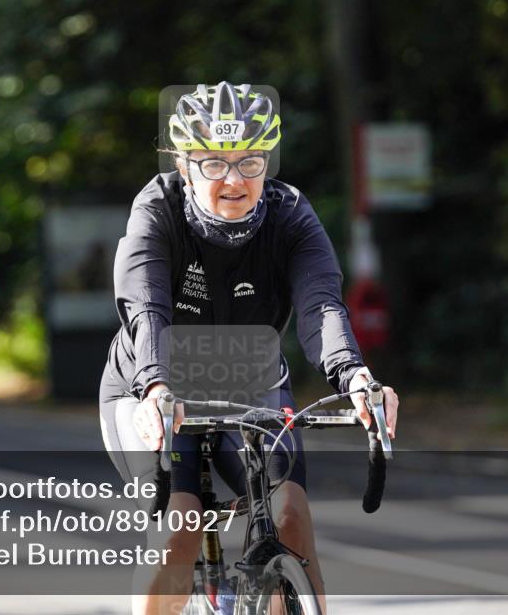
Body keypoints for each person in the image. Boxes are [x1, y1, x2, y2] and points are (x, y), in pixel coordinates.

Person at [99, 82, 400, 615]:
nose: (234, 179)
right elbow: (146, 307)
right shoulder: (157, 210)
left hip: (249, 378)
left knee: (290, 516)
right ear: (185, 165)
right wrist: (155, 386)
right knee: (180, 530)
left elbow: (321, 307)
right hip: (151, 382)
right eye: (213, 163)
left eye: (250, 162)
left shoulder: (291, 216)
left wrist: (356, 378)